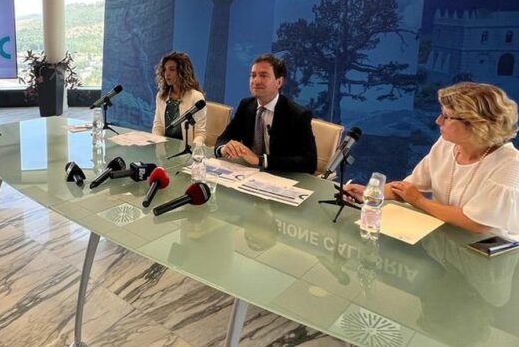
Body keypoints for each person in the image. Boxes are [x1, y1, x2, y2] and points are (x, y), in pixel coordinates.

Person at [346, 82, 519, 239]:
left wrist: (420, 201)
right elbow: (409, 189)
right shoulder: (446, 144)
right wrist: (370, 192)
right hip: (444, 242)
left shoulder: (510, 164)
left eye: (447, 116)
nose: (438, 121)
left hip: (487, 252)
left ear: (476, 124)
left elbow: (478, 224)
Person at [215, 53, 317, 175]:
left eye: (263, 75)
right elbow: (224, 138)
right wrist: (224, 148)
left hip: (281, 176)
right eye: (253, 75)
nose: (256, 81)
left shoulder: (298, 114)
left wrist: (261, 160)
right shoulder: (246, 105)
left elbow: (309, 163)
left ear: (279, 82)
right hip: (247, 174)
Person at [152, 51, 206, 145]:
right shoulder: (161, 96)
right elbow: (158, 127)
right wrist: (157, 146)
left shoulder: (196, 97)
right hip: (164, 149)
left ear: (183, 72)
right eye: (165, 69)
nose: (167, 74)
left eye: (172, 69)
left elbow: (200, 133)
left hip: (187, 150)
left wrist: (193, 149)